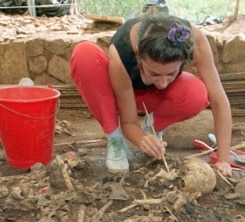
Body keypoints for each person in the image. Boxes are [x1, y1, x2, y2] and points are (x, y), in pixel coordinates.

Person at [69, 13, 234, 177]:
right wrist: (140, 139)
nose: (163, 83)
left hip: (153, 98)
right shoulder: (122, 52)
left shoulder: (194, 41)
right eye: (154, 74)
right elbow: (128, 121)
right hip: (120, 95)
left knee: (197, 93)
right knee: (84, 53)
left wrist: (223, 159)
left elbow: (219, 101)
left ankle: (154, 125)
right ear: (138, 53)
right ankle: (115, 139)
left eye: (171, 73)